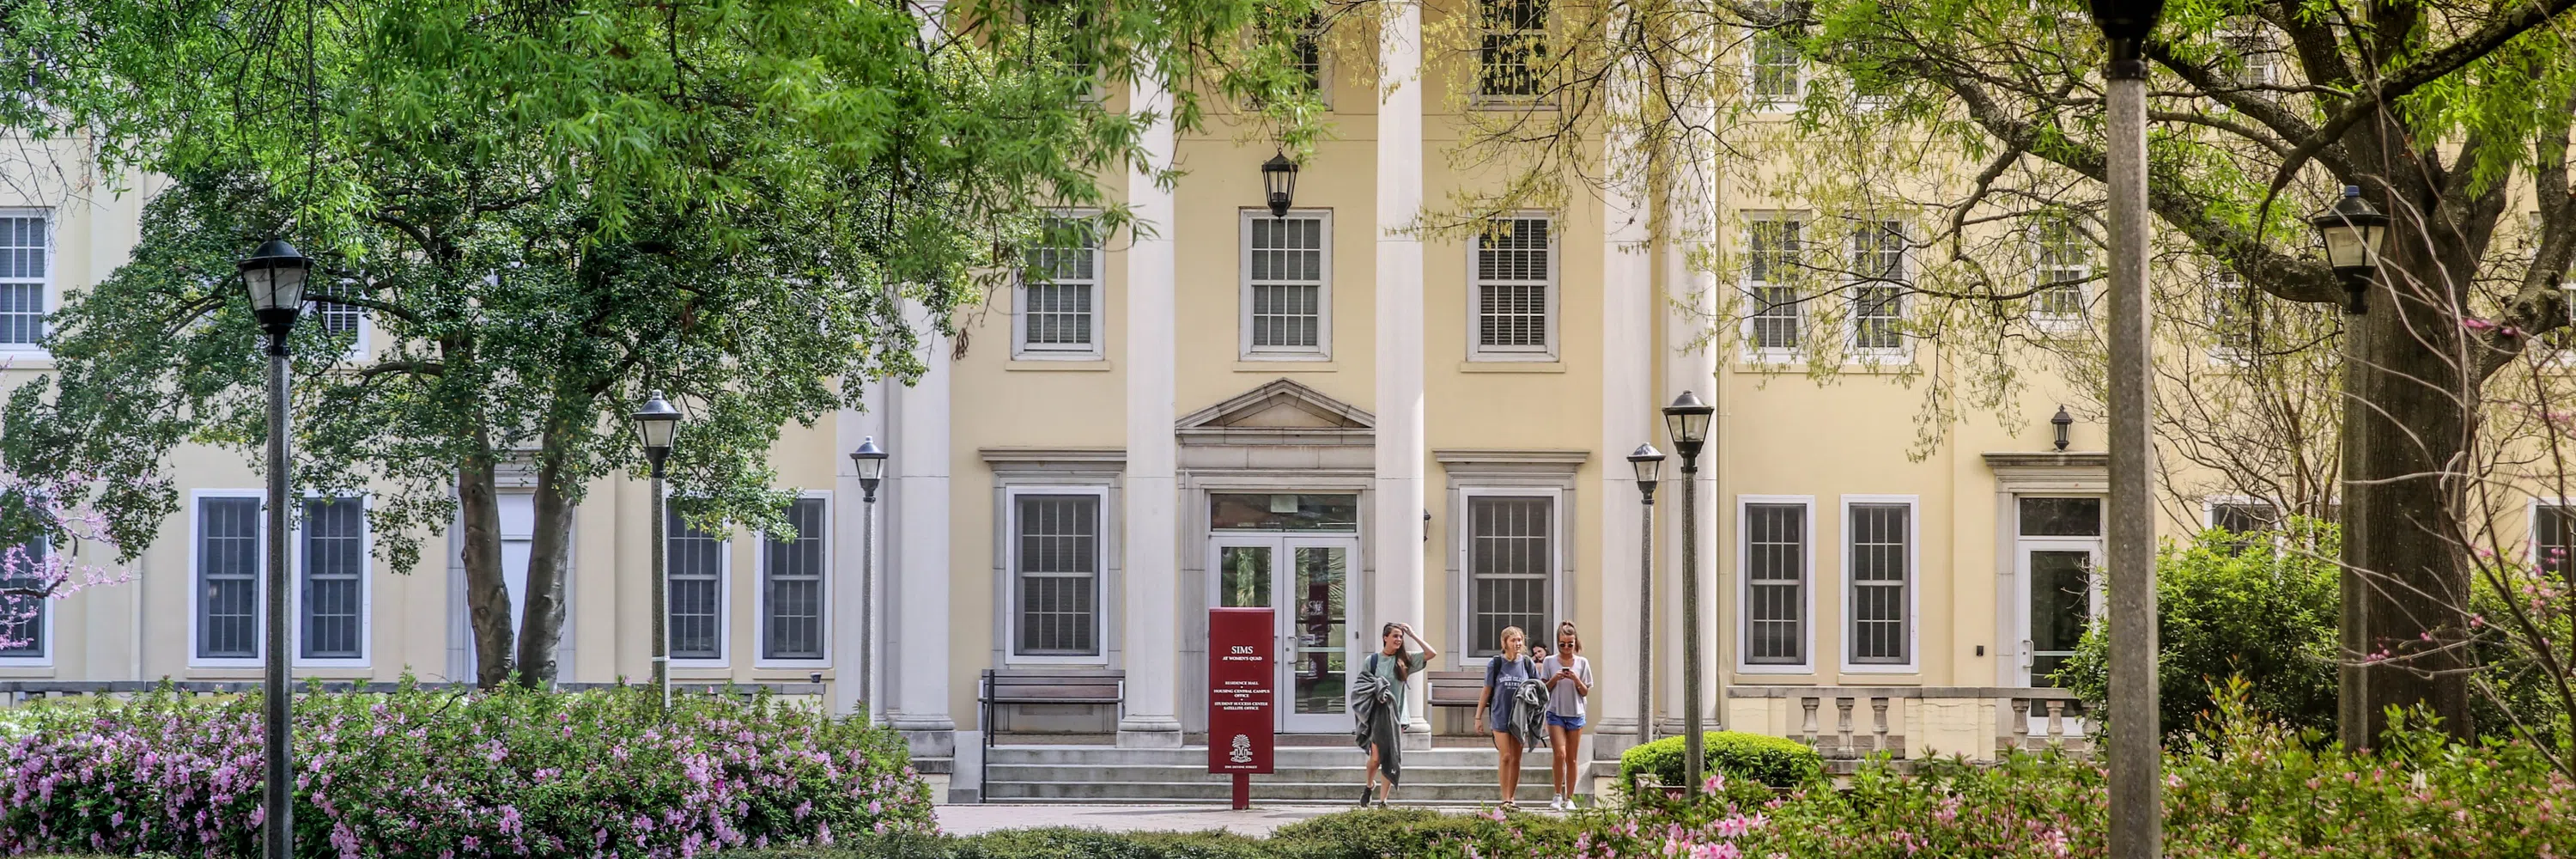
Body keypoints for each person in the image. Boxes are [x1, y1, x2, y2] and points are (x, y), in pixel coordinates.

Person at [1352, 621, 1437, 807]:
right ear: (1385, 638)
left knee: (1390, 757)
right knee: (1375, 758)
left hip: (1398, 717)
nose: (1399, 639)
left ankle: (1383, 801)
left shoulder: (1405, 660)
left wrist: (1413, 634)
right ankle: (1369, 785)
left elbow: (1431, 653)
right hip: (1377, 716)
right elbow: (1362, 687)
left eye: (1401, 636)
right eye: (1395, 636)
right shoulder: (1372, 661)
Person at [1474, 625, 1546, 809]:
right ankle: (1504, 797)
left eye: (1520, 640)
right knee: (1505, 756)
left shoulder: (1527, 663)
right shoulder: (1496, 663)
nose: (1517, 643)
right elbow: (1487, 690)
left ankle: (1512, 799)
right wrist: (1478, 717)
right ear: (1504, 643)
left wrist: (1538, 719)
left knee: (1516, 759)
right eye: (1513, 640)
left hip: (1520, 718)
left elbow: (1537, 689)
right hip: (1500, 715)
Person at [1541, 621, 1594, 812]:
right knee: (1559, 754)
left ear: (1575, 642)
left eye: (1569, 644)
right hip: (1555, 712)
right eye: (1562, 644)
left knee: (1572, 758)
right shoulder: (1549, 661)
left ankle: (1570, 797)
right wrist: (1555, 678)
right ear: (1557, 643)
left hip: (1576, 713)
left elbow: (1585, 691)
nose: (1566, 648)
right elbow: (1544, 689)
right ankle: (1557, 794)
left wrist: (1575, 678)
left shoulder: (1582, 663)